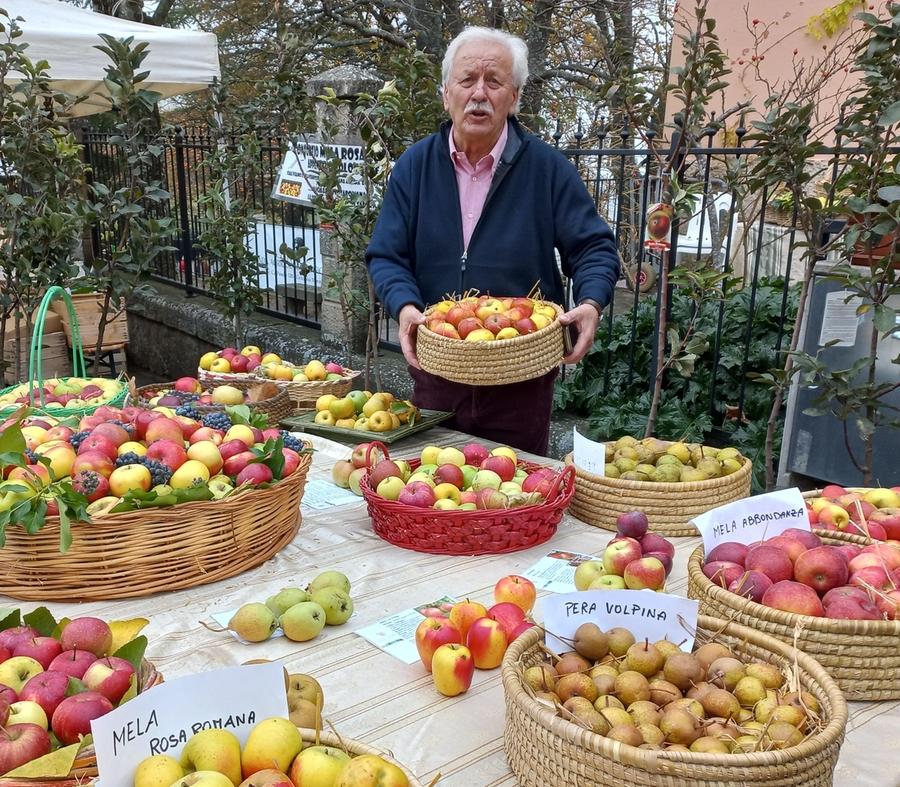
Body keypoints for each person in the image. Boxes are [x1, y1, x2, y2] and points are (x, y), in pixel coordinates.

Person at [365, 26, 620, 455]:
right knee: (432, 491)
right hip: (438, 371)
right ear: (447, 93)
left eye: (494, 81)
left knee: (516, 500)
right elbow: (386, 255)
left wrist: (592, 302)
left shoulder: (548, 169)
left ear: (514, 96)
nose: (479, 93)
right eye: (467, 80)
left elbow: (594, 248)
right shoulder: (415, 166)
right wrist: (405, 306)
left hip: (521, 381)